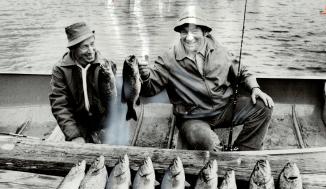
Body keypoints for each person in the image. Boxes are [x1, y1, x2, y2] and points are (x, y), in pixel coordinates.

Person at [138, 6, 274, 151]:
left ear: (205, 32)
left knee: (264, 107)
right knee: (211, 145)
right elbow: (149, 89)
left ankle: (245, 152)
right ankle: (217, 154)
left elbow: (242, 71)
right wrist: (145, 75)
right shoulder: (168, 58)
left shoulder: (221, 50)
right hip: (192, 119)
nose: (189, 37)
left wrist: (255, 88)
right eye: (184, 31)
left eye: (195, 30)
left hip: (224, 109)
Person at [49, 22, 117, 144]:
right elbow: (59, 105)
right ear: (73, 49)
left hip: (102, 122)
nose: (91, 51)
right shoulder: (60, 69)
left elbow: (111, 98)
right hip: (77, 123)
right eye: (85, 47)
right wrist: (74, 135)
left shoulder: (103, 65)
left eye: (92, 44)